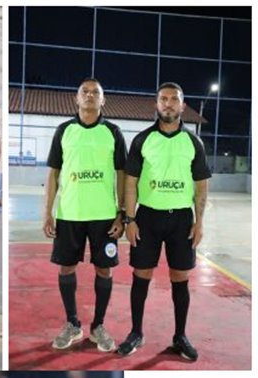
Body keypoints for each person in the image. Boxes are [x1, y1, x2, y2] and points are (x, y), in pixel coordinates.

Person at [117, 82, 210, 361]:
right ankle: (136, 332)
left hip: (182, 219)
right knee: (141, 274)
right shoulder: (143, 140)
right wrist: (130, 219)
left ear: (183, 106)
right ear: (156, 105)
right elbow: (130, 183)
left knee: (180, 276)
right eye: (163, 99)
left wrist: (199, 222)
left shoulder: (194, 142)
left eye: (174, 99)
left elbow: (201, 186)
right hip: (147, 217)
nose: (168, 104)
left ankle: (180, 336)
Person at [41, 78, 126, 352]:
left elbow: (122, 175)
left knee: (104, 268)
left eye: (96, 93)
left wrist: (121, 213)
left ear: (104, 101)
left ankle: (98, 325)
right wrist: (48, 213)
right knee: (67, 267)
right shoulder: (64, 130)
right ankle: (72, 324)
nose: (90, 96)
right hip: (70, 214)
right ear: (76, 99)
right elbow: (53, 173)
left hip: (103, 216)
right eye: (85, 92)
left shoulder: (113, 132)